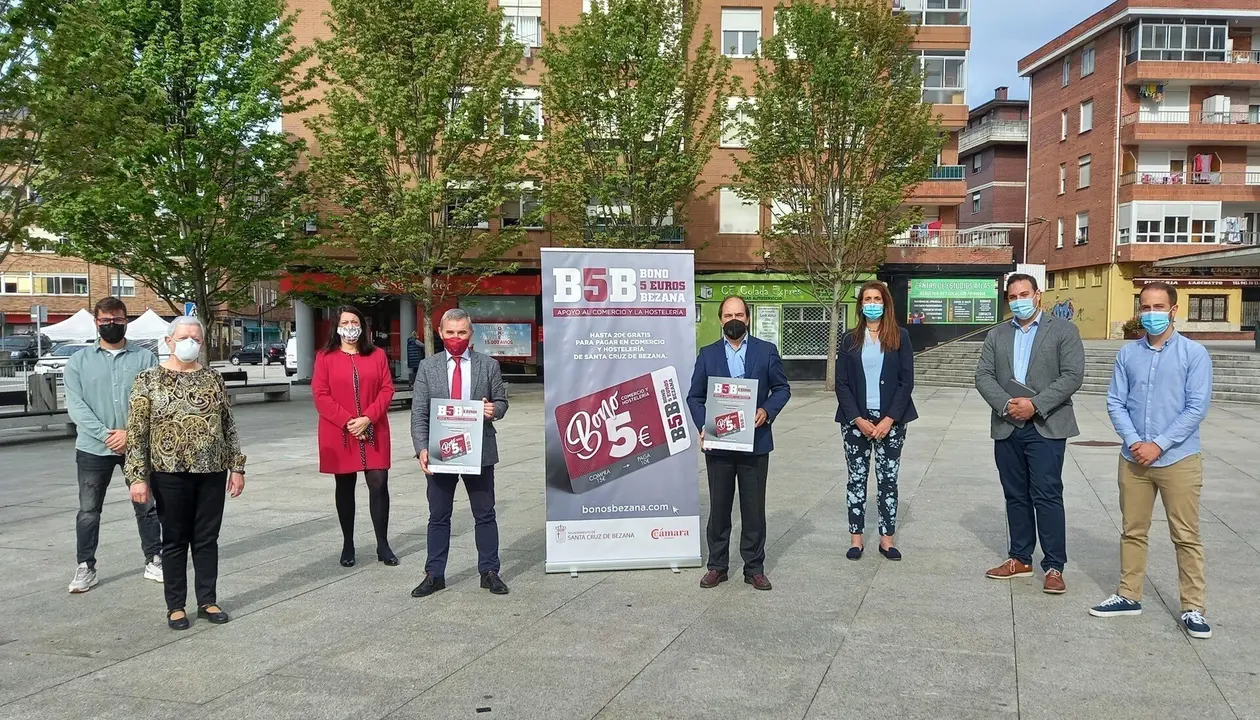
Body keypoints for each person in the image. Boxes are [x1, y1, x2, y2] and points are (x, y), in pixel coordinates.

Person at [1092, 282, 1214, 640]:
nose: (1150, 314)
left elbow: (1196, 407)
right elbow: (1115, 401)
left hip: (1178, 457)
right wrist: (1134, 442)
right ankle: (1129, 594)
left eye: (1158, 306)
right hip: (1134, 459)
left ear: (1173, 310)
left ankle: (1193, 607)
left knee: (1186, 535)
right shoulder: (1128, 354)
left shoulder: (1194, 354)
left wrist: (1158, 445)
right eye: (1145, 307)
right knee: (1133, 529)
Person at [125, 316, 246, 630]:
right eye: (183, 337)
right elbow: (137, 431)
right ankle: (175, 606)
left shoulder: (213, 379)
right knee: (175, 540)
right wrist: (137, 476)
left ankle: (207, 600)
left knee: (207, 539)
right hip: (170, 472)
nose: (189, 342)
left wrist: (237, 466)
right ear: (169, 341)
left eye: (195, 338)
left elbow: (228, 425)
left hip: (212, 470)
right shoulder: (148, 379)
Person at [975, 273, 1084, 594]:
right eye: (1013, 296)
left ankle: (1053, 565)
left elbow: (1072, 376)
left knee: (1047, 494)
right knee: (1015, 494)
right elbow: (983, 375)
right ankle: (1019, 557)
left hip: (1045, 425)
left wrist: (1035, 404)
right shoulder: (996, 335)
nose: (1019, 300)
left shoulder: (1063, 331)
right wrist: (1006, 404)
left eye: (1025, 294)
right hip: (1008, 424)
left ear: (1038, 295)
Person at [687, 296, 791, 591]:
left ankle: (754, 567)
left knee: (753, 507)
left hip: (755, 442)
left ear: (748, 318)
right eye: (728, 314)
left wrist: (767, 410)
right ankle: (717, 566)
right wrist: (702, 424)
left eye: (739, 314)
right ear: (721, 319)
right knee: (719, 506)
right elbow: (694, 397)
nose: (734, 319)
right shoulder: (707, 354)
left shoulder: (766, 351)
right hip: (719, 443)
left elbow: (782, 388)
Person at [63, 297, 162, 594]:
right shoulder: (78, 362)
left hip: (137, 446)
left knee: (147, 506)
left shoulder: (146, 359)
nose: (111, 325)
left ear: (126, 321)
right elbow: (76, 407)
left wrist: (130, 434)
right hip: (94, 448)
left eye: (117, 320)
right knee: (89, 510)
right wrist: (107, 434)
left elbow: (155, 401)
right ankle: (85, 566)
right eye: (105, 320)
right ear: (96, 322)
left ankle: (154, 558)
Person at [410, 308, 510, 598]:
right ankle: (434, 574)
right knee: (438, 515)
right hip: (441, 450)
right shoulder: (428, 367)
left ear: (471, 334)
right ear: (441, 333)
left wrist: (494, 410)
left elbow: (501, 401)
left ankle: (489, 571)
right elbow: (419, 412)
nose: (456, 338)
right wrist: (421, 448)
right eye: (451, 332)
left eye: (462, 332)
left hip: (478, 450)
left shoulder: (488, 365)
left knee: (484, 513)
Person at [834, 281, 917, 561]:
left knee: (887, 480)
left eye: (876, 299)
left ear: (885, 303)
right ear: (860, 306)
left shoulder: (900, 337)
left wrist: (889, 419)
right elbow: (841, 383)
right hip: (856, 421)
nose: (872, 303)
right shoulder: (849, 339)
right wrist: (857, 418)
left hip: (890, 422)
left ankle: (886, 540)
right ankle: (856, 540)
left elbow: (906, 382)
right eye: (867, 299)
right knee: (856, 480)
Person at [312, 305, 397, 568]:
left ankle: (382, 544)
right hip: (341, 431)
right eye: (345, 322)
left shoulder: (378, 355)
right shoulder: (324, 357)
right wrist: (348, 422)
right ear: (337, 327)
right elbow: (320, 394)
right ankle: (348, 543)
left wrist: (368, 417)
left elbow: (386, 388)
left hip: (373, 427)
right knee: (345, 486)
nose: (350, 326)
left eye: (354, 321)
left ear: (363, 326)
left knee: (379, 483)